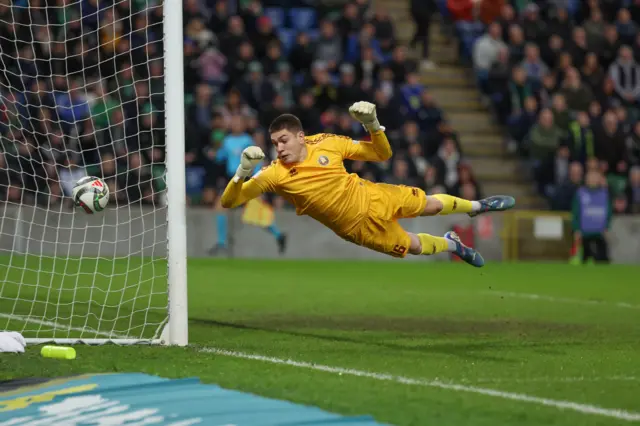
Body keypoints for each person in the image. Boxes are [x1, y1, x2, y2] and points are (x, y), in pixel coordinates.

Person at [220, 102, 515, 266]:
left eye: (283, 141)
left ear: (300, 137)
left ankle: (478, 206)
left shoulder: (328, 142)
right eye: (274, 143)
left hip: (374, 196)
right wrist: (242, 172)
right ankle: (453, 244)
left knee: (430, 204)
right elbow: (229, 202)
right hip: (357, 229)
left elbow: (381, 153)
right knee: (412, 247)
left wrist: (373, 125)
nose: (279, 148)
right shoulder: (274, 174)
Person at [210, 116, 287, 256]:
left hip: (246, 179)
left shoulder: (247, 140)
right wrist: (216, 151)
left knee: (256, 212)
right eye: (234, 122)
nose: (236, 125)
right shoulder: (227, 141)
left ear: (243, 125)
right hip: (232, 179)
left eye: (238, 122)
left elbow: (256, 161)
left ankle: (278, 235)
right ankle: (222, 243)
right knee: (220, 207)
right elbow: (220, 157)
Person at [571, 169, 612, 264]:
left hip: (600, 233)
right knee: (584, 261)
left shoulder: (605, 193)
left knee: (603, 261)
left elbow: (609, 212)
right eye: (591, 177)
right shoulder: (580, 193)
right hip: (584, 233)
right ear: (586, 179)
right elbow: (575, 212)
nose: (593, 180)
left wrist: (607, 226)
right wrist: (576, 229)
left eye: (595, 177)